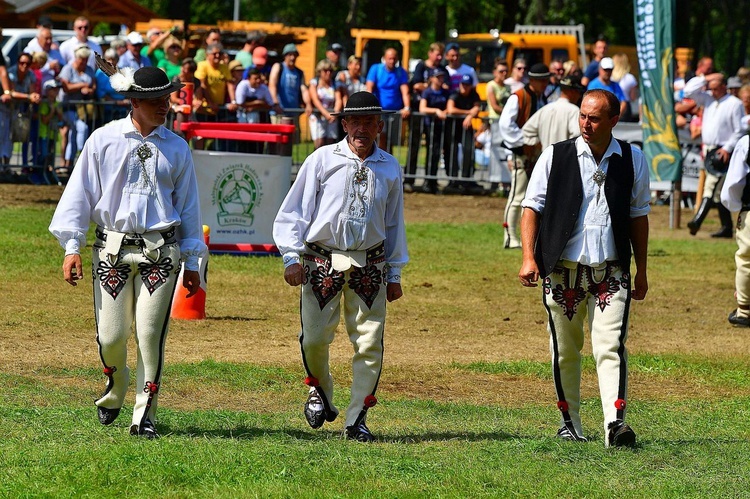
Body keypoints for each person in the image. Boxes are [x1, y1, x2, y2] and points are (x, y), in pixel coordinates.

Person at [49, 66, 206, 439]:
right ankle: (116, 388)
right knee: (111, 337)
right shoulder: (103, 141)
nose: (164, 106)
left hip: (161, 252)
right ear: (133, 102)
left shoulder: (177, 147)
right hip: (111, 250)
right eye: (155, 100)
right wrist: (72, 247)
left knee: (150, 333)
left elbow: (189, 210)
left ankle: (144, 414)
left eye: (166, 99)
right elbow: (79, 195)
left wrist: (193, 262)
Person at [273, 91, 408, 443]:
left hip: (371, 265)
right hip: (320, 261)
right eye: (355, 121)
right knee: (314, 339)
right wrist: (291, 257)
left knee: (369, 342)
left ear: (380, 126)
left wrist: (394, 274)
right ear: (344, 124)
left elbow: (394, 225)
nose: (362, 128)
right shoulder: (321, 160)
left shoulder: (390, 167)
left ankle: (357, 418)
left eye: (369, 122)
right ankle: (320, 390)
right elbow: (293, 212)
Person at [518, 89, 650, 447]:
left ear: (613, 121)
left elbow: (639, 215)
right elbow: (531, 207)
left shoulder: (633, 159)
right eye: (582, 116)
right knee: (565, 348)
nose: (586, 124)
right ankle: (569, 421)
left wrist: (642, 269)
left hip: (611, 270)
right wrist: (529, 257)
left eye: (594, 118)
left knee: (610, 346)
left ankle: (615, 423)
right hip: (562, 269)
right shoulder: (555, 156)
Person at [684, 72, 745, 237]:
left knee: (710, 187)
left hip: (723, 151)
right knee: (718, 192)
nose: (713, 92)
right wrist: (705, 78)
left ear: (724, 87)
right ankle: (726, 227)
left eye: (716, 88)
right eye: (710, 89)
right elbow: (688, 91)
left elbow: (739, 130)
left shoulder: (734, 104)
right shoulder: (708, 99)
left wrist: (727, 148)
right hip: (708, 149)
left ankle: (697, 221)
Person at [499, 63, 550, 249]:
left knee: (535, 197)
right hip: (521, 153)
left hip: (536, 153)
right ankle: (509, 235)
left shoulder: (541, 97)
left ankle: (529, 236)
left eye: (546, 80)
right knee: (517, 195)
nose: (545, 84)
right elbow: (505, 124)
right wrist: (524, 142)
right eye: (542, 80)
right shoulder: (518, 97)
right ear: (533, 81)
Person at [404, 42, 445, 193]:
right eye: (437, 54)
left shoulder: (442, 69)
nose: (439, 57)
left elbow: (445, 86)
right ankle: (409, 178)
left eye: (441, 54)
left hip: (434, 116)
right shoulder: (421, 66)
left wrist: (428, 85)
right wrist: (431, 85)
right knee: (413, 145)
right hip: (418, 111)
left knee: (433, 148)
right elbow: (415, 85)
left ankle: (431, 181)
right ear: (430, 53)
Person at [720, 134, 750, 326]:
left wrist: (737, 206)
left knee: (747, 260)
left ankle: (744, 311)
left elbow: (733, 183)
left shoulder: (746, 142)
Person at [58, 45, 96, 173]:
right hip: (67, 107)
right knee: (79, 129)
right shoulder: (68, 69)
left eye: (86, 59)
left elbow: (93, 86)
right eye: (82, 59)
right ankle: (78, 156)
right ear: (76, 57)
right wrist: (82, 85)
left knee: (74, 133)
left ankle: (71, 163)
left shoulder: (89, 70)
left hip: (82, 109)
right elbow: (66, 87)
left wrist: (89, 90)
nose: (84, 62)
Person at [522, 74, 585, 152]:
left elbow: (526, 131)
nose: (579, 96)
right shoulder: (574, 111)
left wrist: (540, 144)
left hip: (546, 160)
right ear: (572, 91)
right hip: (564, 160)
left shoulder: (545, 109)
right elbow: (578, 136)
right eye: (578, 92)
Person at [365, 47, 410, 154]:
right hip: (380, 111)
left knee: (391, 140)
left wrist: (407, 107)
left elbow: (405, 91)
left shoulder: (400, 72)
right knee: (381, 136)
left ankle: (387, 163)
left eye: (394, 59)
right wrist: (369, 106)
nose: (392, 61)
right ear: (384, 58)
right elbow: (369, 88)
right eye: (389, 58)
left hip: (395, 112)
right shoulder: (376, 69)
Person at [444, 74, 482, 194]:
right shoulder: (454, 94)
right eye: (463, 84)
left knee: (469, 151)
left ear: (471, 86)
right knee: (451, 152)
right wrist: (468, 113)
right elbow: (450, 109)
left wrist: (470, 116)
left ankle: (467, 179)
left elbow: (477, 108)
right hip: (453, 128)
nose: (464, 87)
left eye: (467, 85)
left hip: (467, 128)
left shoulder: (474, 95)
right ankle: (452, 179)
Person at [418, 66, 452, 194]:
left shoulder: (445, 92)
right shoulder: (427, 92)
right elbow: (423, 108)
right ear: (432, 78)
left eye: (442, 77)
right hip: (430, 126)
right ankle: (428, 180)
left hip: (442, 126)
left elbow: (450, 106)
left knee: (438, 154)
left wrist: (445, 111)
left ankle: (434, 180)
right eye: (438, 77)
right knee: (432, 152)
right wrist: (436, 111)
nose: (440, 79)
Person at [268, 44, 311, 129]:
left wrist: (308, 104)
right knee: (279, 139)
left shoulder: (299, 72)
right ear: (285, 56)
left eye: (295, 55)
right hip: (279, 112)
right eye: (290, 55)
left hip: (293, 112)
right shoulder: (278, 67)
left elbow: (304, 89)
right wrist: (275, 103)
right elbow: (272, 85)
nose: (292, 58)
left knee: (292, 139)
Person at [486, 59, 513, 194]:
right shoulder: (491, 85)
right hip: (496, 122)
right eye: (501, 71)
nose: (504, 73)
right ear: (495, 72)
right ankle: (494, 181)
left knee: (506, 151)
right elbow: (495, 106)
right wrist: (509, 112)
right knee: (495, 151)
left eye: (506, 71)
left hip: (506, 123)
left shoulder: (508, 87)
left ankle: (505, 181)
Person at [308, 59, 343, 149]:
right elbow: (315, 100)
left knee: (330, 145)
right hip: (318, 116)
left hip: (331, 117)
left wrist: (334, 114)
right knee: (320, 144)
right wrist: (326, 114)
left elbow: (339, 99)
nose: (328, 73)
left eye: (330, 71)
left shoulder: (335, 84)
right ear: (320, 72)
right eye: (325, 71)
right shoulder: (314, 83)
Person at [611, 54, 639, 122]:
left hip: (611, 105)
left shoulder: (609, 77)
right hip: (626, 107)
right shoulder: (630, 78)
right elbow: (633, 97)